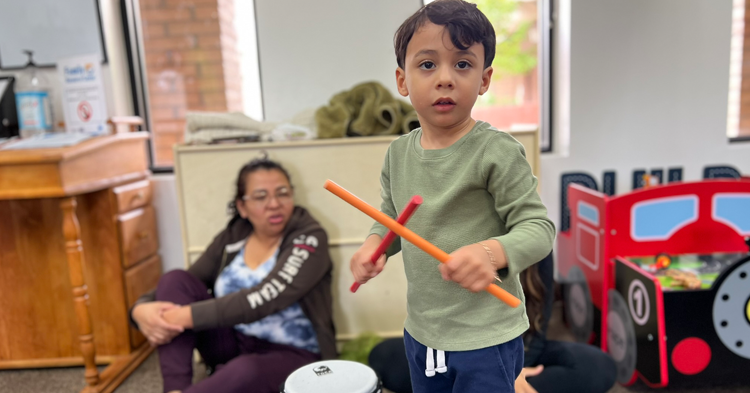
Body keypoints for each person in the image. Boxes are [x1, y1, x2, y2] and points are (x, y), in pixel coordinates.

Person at [350, 1, 556, 392]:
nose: (445, 78)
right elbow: (391, 216)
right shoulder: (397, 153)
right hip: (423, 331)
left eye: (462, 64)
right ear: (402, 80)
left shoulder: (496, 151)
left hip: (486, 337)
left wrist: (491, 254)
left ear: (484, 79)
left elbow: (539, 229)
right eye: (427, 64)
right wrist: (373, 245)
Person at [130, 156, 336, 393]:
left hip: (293, 352)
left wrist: (178, 317)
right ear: (242, 207)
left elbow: (264, 298)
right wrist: (140, 309)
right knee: (175, 280)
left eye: (282, 193)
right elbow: (189, 281)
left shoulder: (310, 237)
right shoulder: (235, 234)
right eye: (260, 196)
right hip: (233, 342)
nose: (274, 204)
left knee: (246, 371)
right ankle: (175, 388)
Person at [368, 253, 618, 393]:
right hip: (455, 350)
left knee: (598, 366)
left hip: (517, 351)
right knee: (383, 356)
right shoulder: (448, 232)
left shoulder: (533, 239)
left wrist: (514, 371)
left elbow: (537, 330)